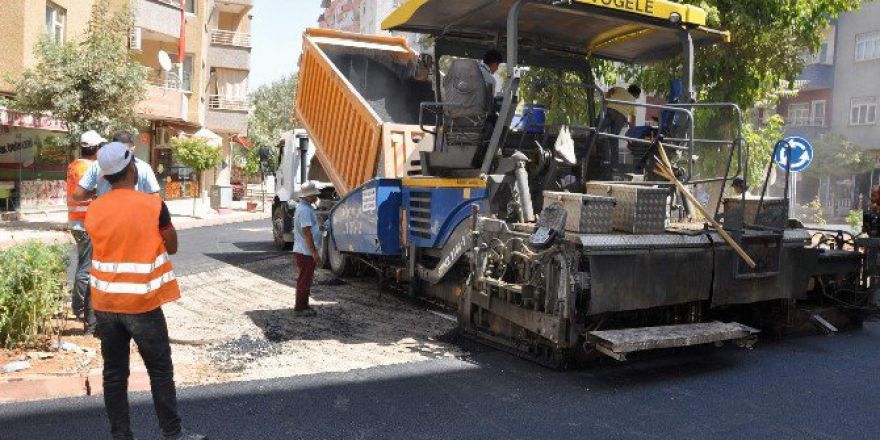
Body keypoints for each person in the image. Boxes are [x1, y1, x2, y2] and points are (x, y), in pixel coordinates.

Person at [85, 142, 205, 440]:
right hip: (142, 304)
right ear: (132, 168)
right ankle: (172, 433)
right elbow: (172, 245)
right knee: (160, 370)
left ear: (105, 176)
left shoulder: (94, 209)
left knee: (114, 375)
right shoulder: (153, 205)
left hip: (105, 304)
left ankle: (121, 435)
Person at [67, 130, 105, 334]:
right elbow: (83, 194)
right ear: (95, 148)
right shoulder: (88, 168)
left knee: (83, 264)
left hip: (76, 221)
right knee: (86, 268)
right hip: (86, 222)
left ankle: (77, 306)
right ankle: (80, 308)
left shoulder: (74, 164)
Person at [71, 131, 160, 201]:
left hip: (104, 218)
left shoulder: (97, 165)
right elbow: (155, 198)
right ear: (132, 147)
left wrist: (96, 194)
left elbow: (77, 196)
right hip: (134, 219)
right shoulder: (144, 167)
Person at [292, 181, 322, 316]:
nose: (316, 197)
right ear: (308, 196)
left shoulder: (305, 208)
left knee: (306, 278)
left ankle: (304, 305)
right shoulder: (304, 210)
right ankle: (300, 308)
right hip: (305, 251)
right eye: (314, 195)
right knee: (304, 279)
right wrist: (314, 252)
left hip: (304, 250)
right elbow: (307, 232)